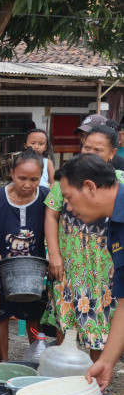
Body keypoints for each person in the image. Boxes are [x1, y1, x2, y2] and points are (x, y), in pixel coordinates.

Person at [43, 145, 124, 375]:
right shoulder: (114, 228)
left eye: (68, 197)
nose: (68, 207)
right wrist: (106, 363)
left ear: (90, 187)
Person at [0, 149, 49, 361]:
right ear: (12, 174)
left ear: (41, 177)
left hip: (34, 272)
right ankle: (2, 360)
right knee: (1, 315)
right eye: (22, 178)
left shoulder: (46, 197)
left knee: (34, 316)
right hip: (3, 269)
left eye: (34, 179)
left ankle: (35, 359)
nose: (27, 184)